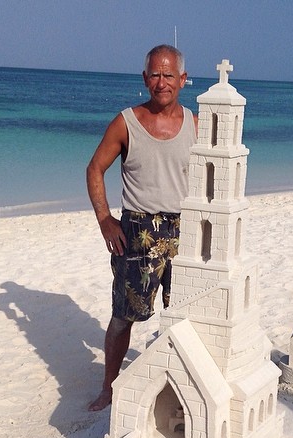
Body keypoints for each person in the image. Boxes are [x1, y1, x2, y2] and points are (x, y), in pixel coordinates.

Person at [86, 44, 197, 412]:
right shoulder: (126, 122)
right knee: (123, 316)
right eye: (155, 74)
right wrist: (105, 219)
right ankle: (109, 386)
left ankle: (184, 387)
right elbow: (94, 169)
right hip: (137, 231)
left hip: (186, 231)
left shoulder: (196, 125)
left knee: (186, 315)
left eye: (169, 75)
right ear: (144, 78)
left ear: (182, 79)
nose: (161, 82)